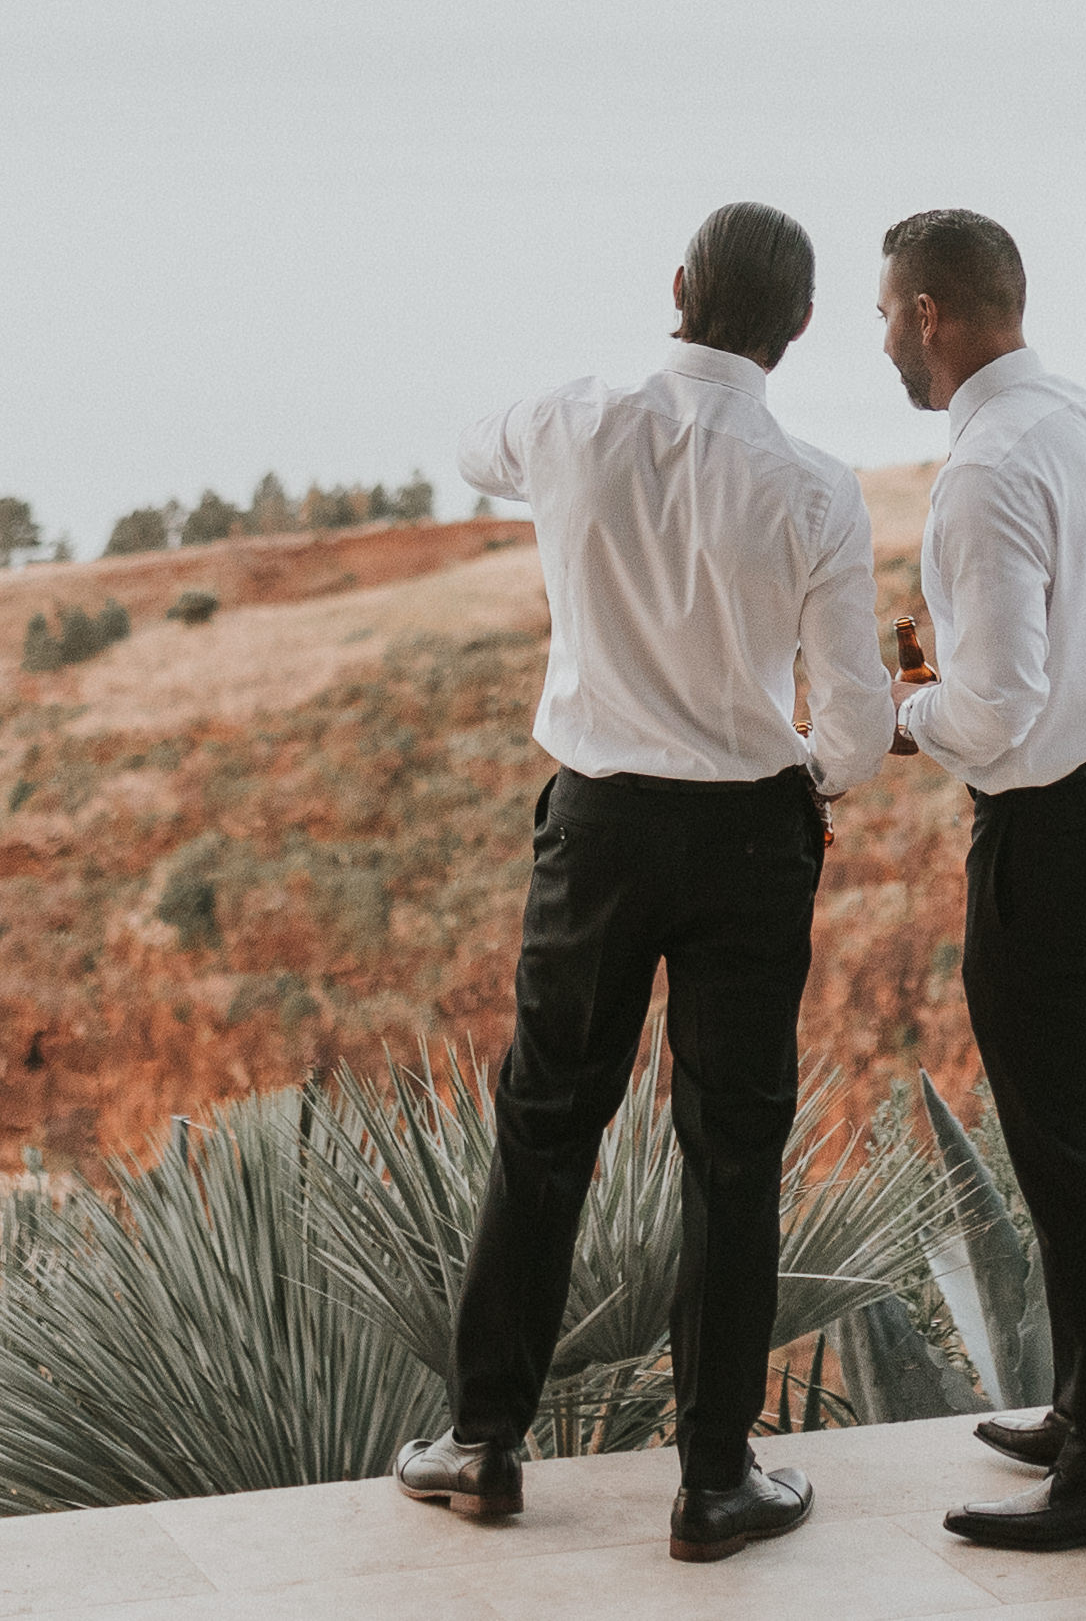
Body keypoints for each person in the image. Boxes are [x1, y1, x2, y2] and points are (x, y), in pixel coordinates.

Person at [392, 200, 884, 1565]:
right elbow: (851, 719)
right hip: (748, 839)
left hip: (599, 826)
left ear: (675, 286)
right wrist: (819, 785)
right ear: (794, 331)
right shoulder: (817, 486)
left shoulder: (570, 418)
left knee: (548, 1124)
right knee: (731, 1154)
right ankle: (715, 1481)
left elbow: (472, 445)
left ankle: (484, 1444)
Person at [878, 205, 1086, 1554]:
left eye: (887, 316)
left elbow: (999, 708)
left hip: (1064, 838)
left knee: (1068, 1155)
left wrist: (907, 714)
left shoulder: (984, 471)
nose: (888, 345)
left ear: (928, 316)